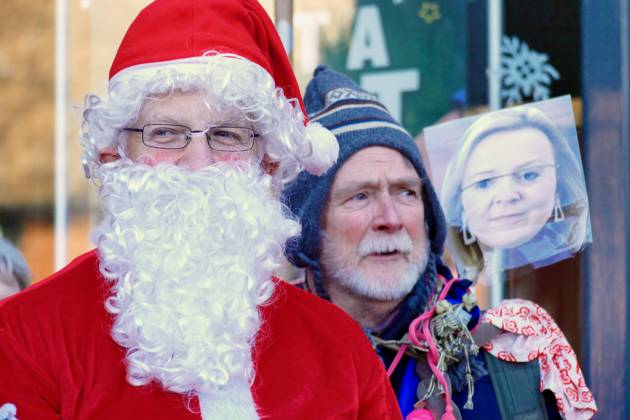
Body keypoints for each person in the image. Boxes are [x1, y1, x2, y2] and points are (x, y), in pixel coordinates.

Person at [0, 2, 402, 419]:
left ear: (264, 160)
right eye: (164, 133)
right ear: (117, 153)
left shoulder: (339, 348)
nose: (198, 161)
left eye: (226, 135)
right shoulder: (25, 335)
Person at [283, 65, 596, 419]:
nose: (392, 218)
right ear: (309, 231)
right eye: (360, 196)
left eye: (406, 192)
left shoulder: (510, 355)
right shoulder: (260, 363)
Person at [439, 107, 590, 280]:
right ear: (460, 205)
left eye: (529, 175)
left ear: (559, 187)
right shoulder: (448, 289)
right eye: (484, 183)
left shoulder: (586, 270)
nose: (507, 195)